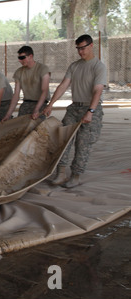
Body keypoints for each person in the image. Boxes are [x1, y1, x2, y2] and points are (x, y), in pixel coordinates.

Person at [43, 34, 107, 188]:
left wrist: (90, 111)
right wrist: (50, 104)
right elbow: (63, 85)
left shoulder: (98, 66)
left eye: (83, 48)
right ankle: (61, 173)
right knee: (64, 139)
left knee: (83, 143)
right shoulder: (74, 66)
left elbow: (98, 90)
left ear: (91, 46)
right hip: (74, 108)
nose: (80, 51)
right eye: (78, 48)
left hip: (91, 108)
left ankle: (76, 175)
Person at [2, 46, 51, 122]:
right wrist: (8, 115)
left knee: (37, 127)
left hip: (41, 103)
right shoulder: (19, 72)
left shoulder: (43, 69)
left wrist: (36, 109)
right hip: (26, 103)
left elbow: (45, 91)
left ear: (30, 56)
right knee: (20, 127)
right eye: (19, 58)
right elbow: (16, 95)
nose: (20, 60)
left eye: (22, 58)